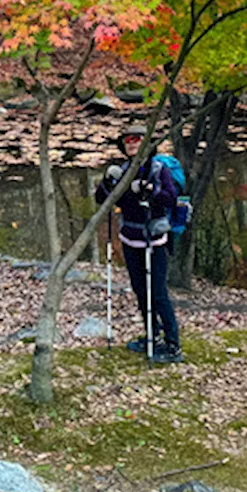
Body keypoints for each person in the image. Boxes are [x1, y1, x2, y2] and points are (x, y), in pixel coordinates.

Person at [96, 125, 182, 364]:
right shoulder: (122, 171)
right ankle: (152, 336)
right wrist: (106, 181)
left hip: (153, 242)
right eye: (127, 140)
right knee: (140, 292)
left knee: (158, 293)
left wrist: (151, 190)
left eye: (137, 139)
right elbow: (100, 199)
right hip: (131, 240)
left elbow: (171, 199)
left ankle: (173, 345)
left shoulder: (158, 169)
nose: (132, 143)